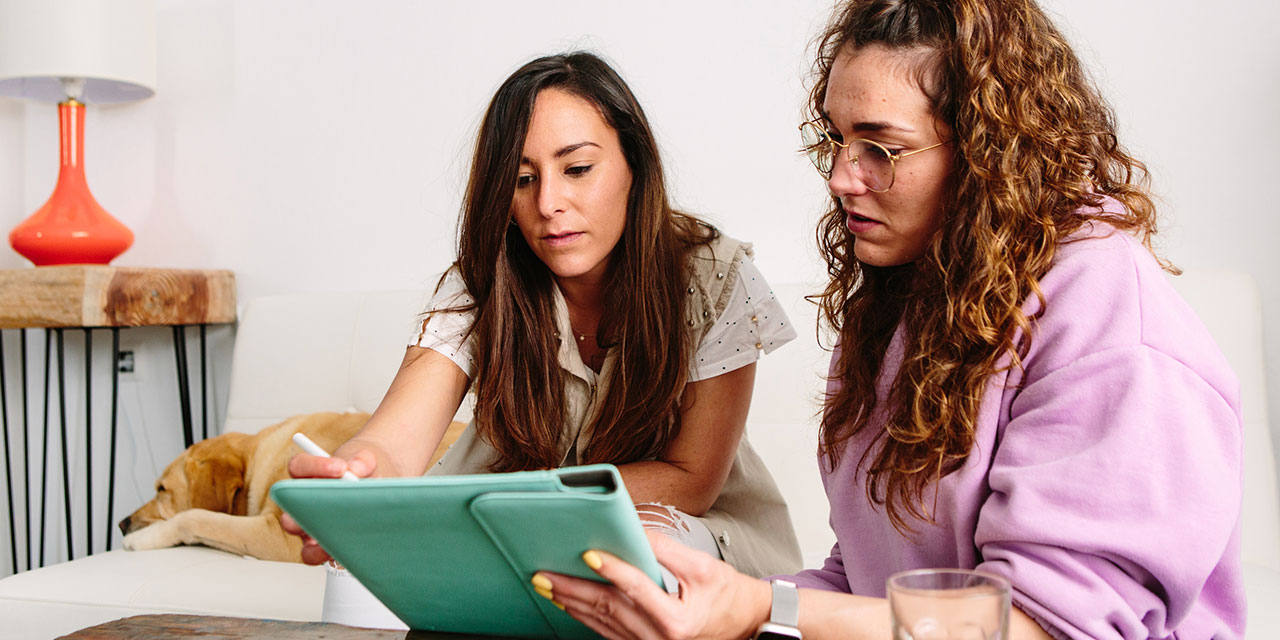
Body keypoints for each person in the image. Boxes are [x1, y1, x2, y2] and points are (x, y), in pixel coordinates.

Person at [536, 1, 1245, 638]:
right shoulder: (911, 300)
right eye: (839, 139)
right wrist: (708, 599)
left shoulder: (1110, 325)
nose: (843, 175)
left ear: (987, 149)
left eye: (881, 146)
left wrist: (760, 609)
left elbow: (1042, 629)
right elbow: (868, 585)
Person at [282, 51, 803, 580]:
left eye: (577, 169)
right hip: (506, 523)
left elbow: (691, 480)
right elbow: (394, 443)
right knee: (364, 578)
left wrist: (520, 501)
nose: (548, 202)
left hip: (676, 525)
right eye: (522, 179)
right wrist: (354, 476)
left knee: (636, 548)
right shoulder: (483, 282)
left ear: (635, 165)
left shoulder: (716, 276)